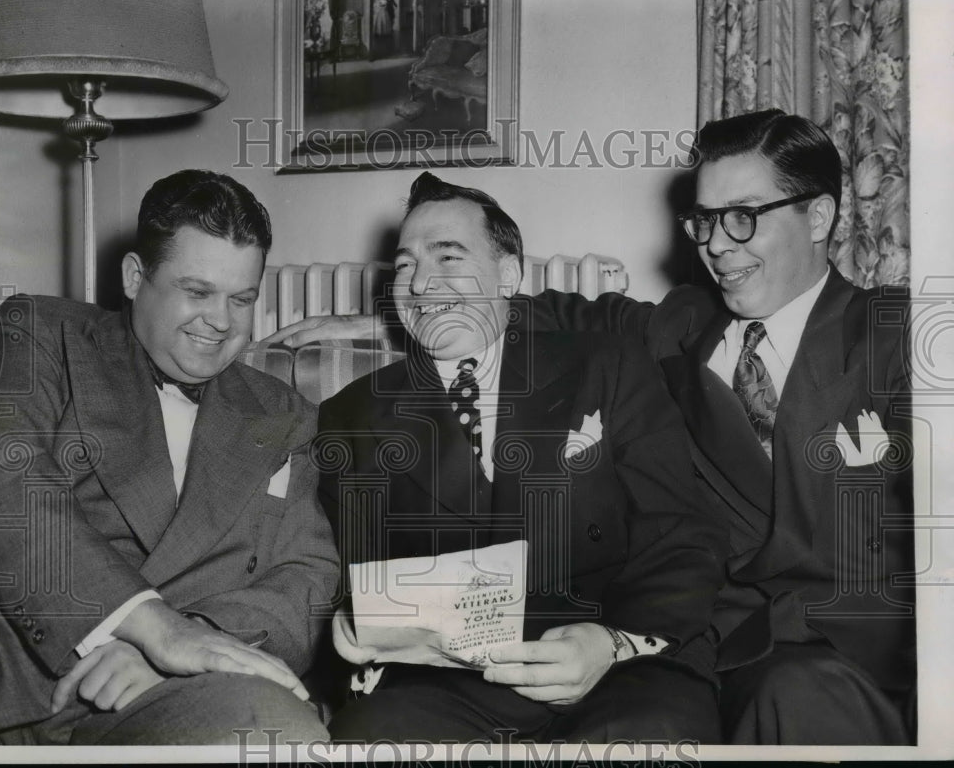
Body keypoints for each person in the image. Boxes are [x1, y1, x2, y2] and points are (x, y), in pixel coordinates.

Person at [266, 110, 915, 745]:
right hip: (731, 644)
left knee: (798, 694)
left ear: (820, 215)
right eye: (704, 221)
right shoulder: (683, 327)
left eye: (742, 217)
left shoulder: (894, 336)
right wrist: (386, 317)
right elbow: (532, 309)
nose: (716, 243)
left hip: (857, 645)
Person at [315, 172, 728, 743]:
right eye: (406, 265)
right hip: (449, 683)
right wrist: (348, 625)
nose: (422, 282)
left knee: (650, 736)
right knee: (372, 737)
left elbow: (680, 533)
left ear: (508, 274)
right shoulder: (351, 414)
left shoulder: (606, 364)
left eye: (448, 257)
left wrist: (610, 644)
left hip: (624, 661)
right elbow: (342, 575)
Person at [0, 169, 338, 745]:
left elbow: (309, 577)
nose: (221, 321)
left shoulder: (283, 411)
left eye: (242, 298)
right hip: (21, 689)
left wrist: (192, 643)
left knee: (278, 741)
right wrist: (156, 629)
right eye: (197, 292)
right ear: (134, 277)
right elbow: (3, 482)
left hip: (177, 693)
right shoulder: (42, 335)